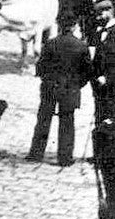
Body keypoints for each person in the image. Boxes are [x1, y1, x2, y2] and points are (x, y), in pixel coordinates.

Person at [26, 22, 92, 166]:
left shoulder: (50, 44)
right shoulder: (81, 46)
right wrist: (77, 84)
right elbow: (87, 72)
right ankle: (65, 158)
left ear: (60, 26)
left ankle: (36, 154)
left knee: (43, 120)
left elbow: (40, 67)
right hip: (70, 89)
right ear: (74, 26)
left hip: (50, 87)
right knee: (67, 123)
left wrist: (48, 80)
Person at [90, 0, 115, 122]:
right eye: (97, 14)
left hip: (113, 86)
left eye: (100, 13)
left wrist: (107, 78)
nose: (98, 17)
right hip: (99, 87)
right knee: (99, 122)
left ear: (110, 11)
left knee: (114, 123)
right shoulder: (98, 33)